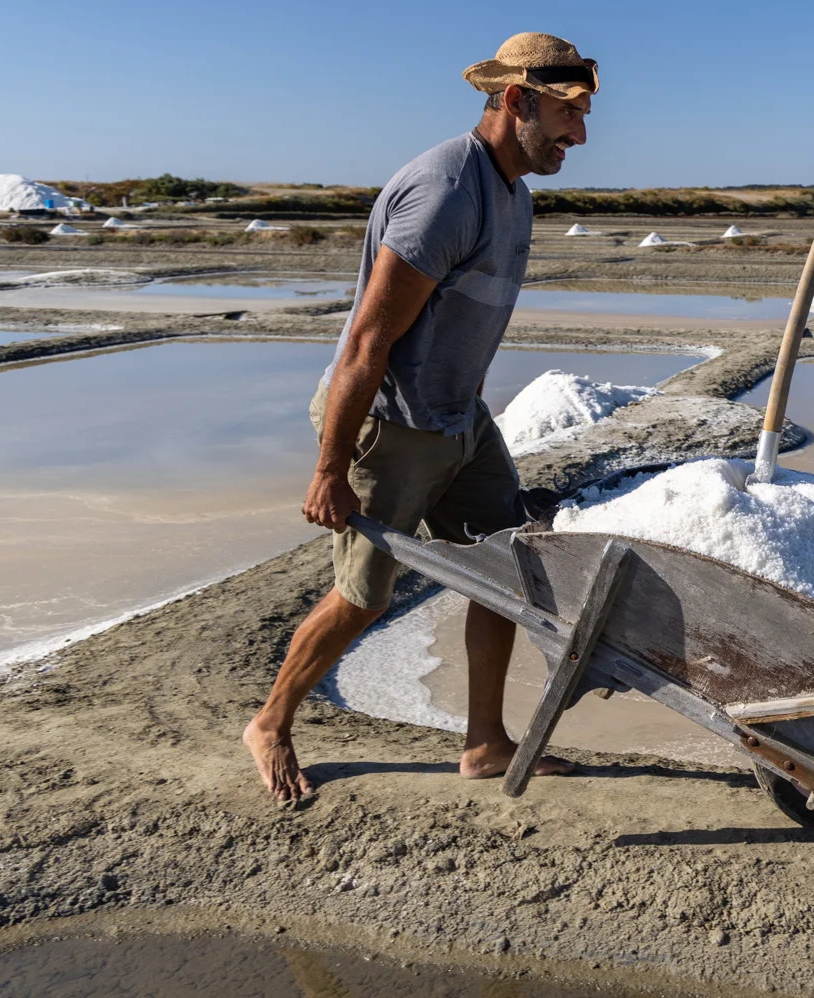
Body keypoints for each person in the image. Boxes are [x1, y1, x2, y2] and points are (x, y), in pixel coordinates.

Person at [243, 32, 597, 802]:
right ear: (516, 101)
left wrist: (468, 413)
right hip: (390, 425)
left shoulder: (514, 194)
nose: (578, 134)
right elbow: (368, 341)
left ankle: (484, 742)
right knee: (364, 595)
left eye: (582, 115)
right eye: (567, 114)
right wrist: (331, 467)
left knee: (501, 572)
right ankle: (269, 723)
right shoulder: (445, 193)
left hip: (458, 420)